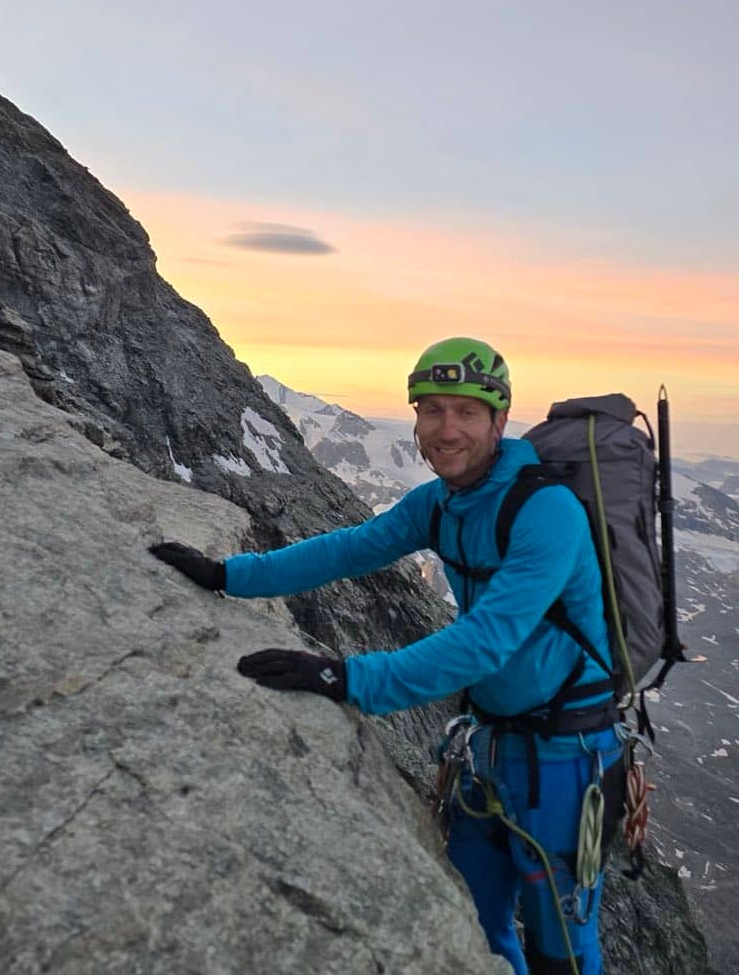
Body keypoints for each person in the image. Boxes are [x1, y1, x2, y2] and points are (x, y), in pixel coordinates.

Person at [150, 337, 622, 975]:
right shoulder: (443, 504)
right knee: (474, 926)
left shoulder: (547, 512)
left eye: (466, 412)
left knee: (560, 950)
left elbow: (487, 640)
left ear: (500, 420)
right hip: (492, 746)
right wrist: (227, 574)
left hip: (566, 760)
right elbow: (349, 549)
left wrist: (346, 678)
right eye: (431, 411)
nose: (446, 429)